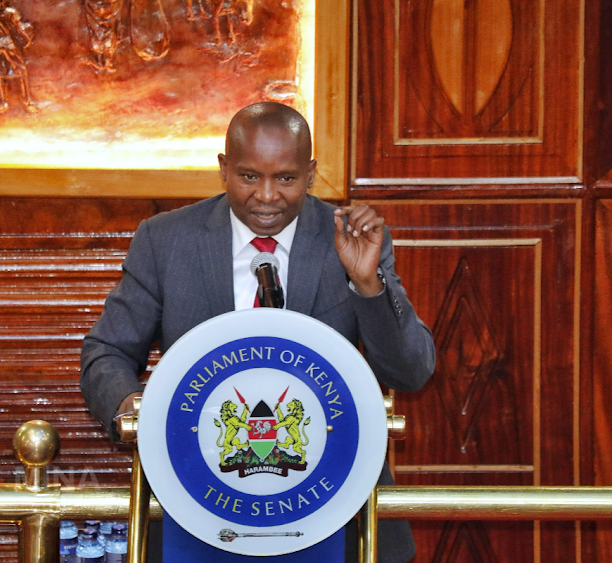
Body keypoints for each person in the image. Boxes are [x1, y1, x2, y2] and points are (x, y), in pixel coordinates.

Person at [81, 102, 436, 563]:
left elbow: (411, 372)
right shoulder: (167, 240)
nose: (267, 196)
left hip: (336, 507)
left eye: (286, 179)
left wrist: (367, 283)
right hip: (198, 502)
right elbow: (106, 351)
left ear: (310, 174)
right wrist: (137, 413)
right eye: (249, 177)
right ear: (223, 169)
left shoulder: (351, 239)